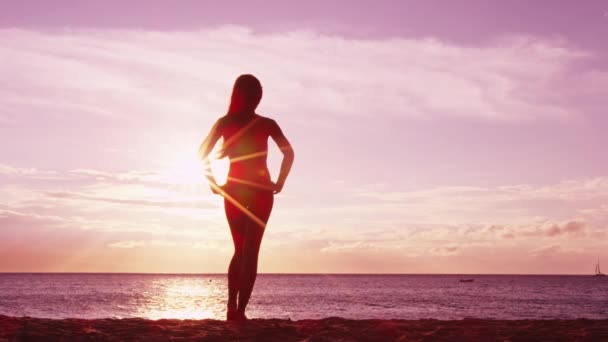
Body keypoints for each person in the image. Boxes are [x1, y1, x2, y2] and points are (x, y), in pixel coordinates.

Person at [199, 74, 295, 321]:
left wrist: (213, 183)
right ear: (246, 96)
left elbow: (288, 153)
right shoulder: (237, 123)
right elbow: (202, 153)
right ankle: (235, 309)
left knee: (245, 251)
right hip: (248, 192)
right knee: (245, 251)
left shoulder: (246, 123)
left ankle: (236, 310)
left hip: (246, 192)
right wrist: (212, 183)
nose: (256, 99)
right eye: (253, 94)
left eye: (257, 95)